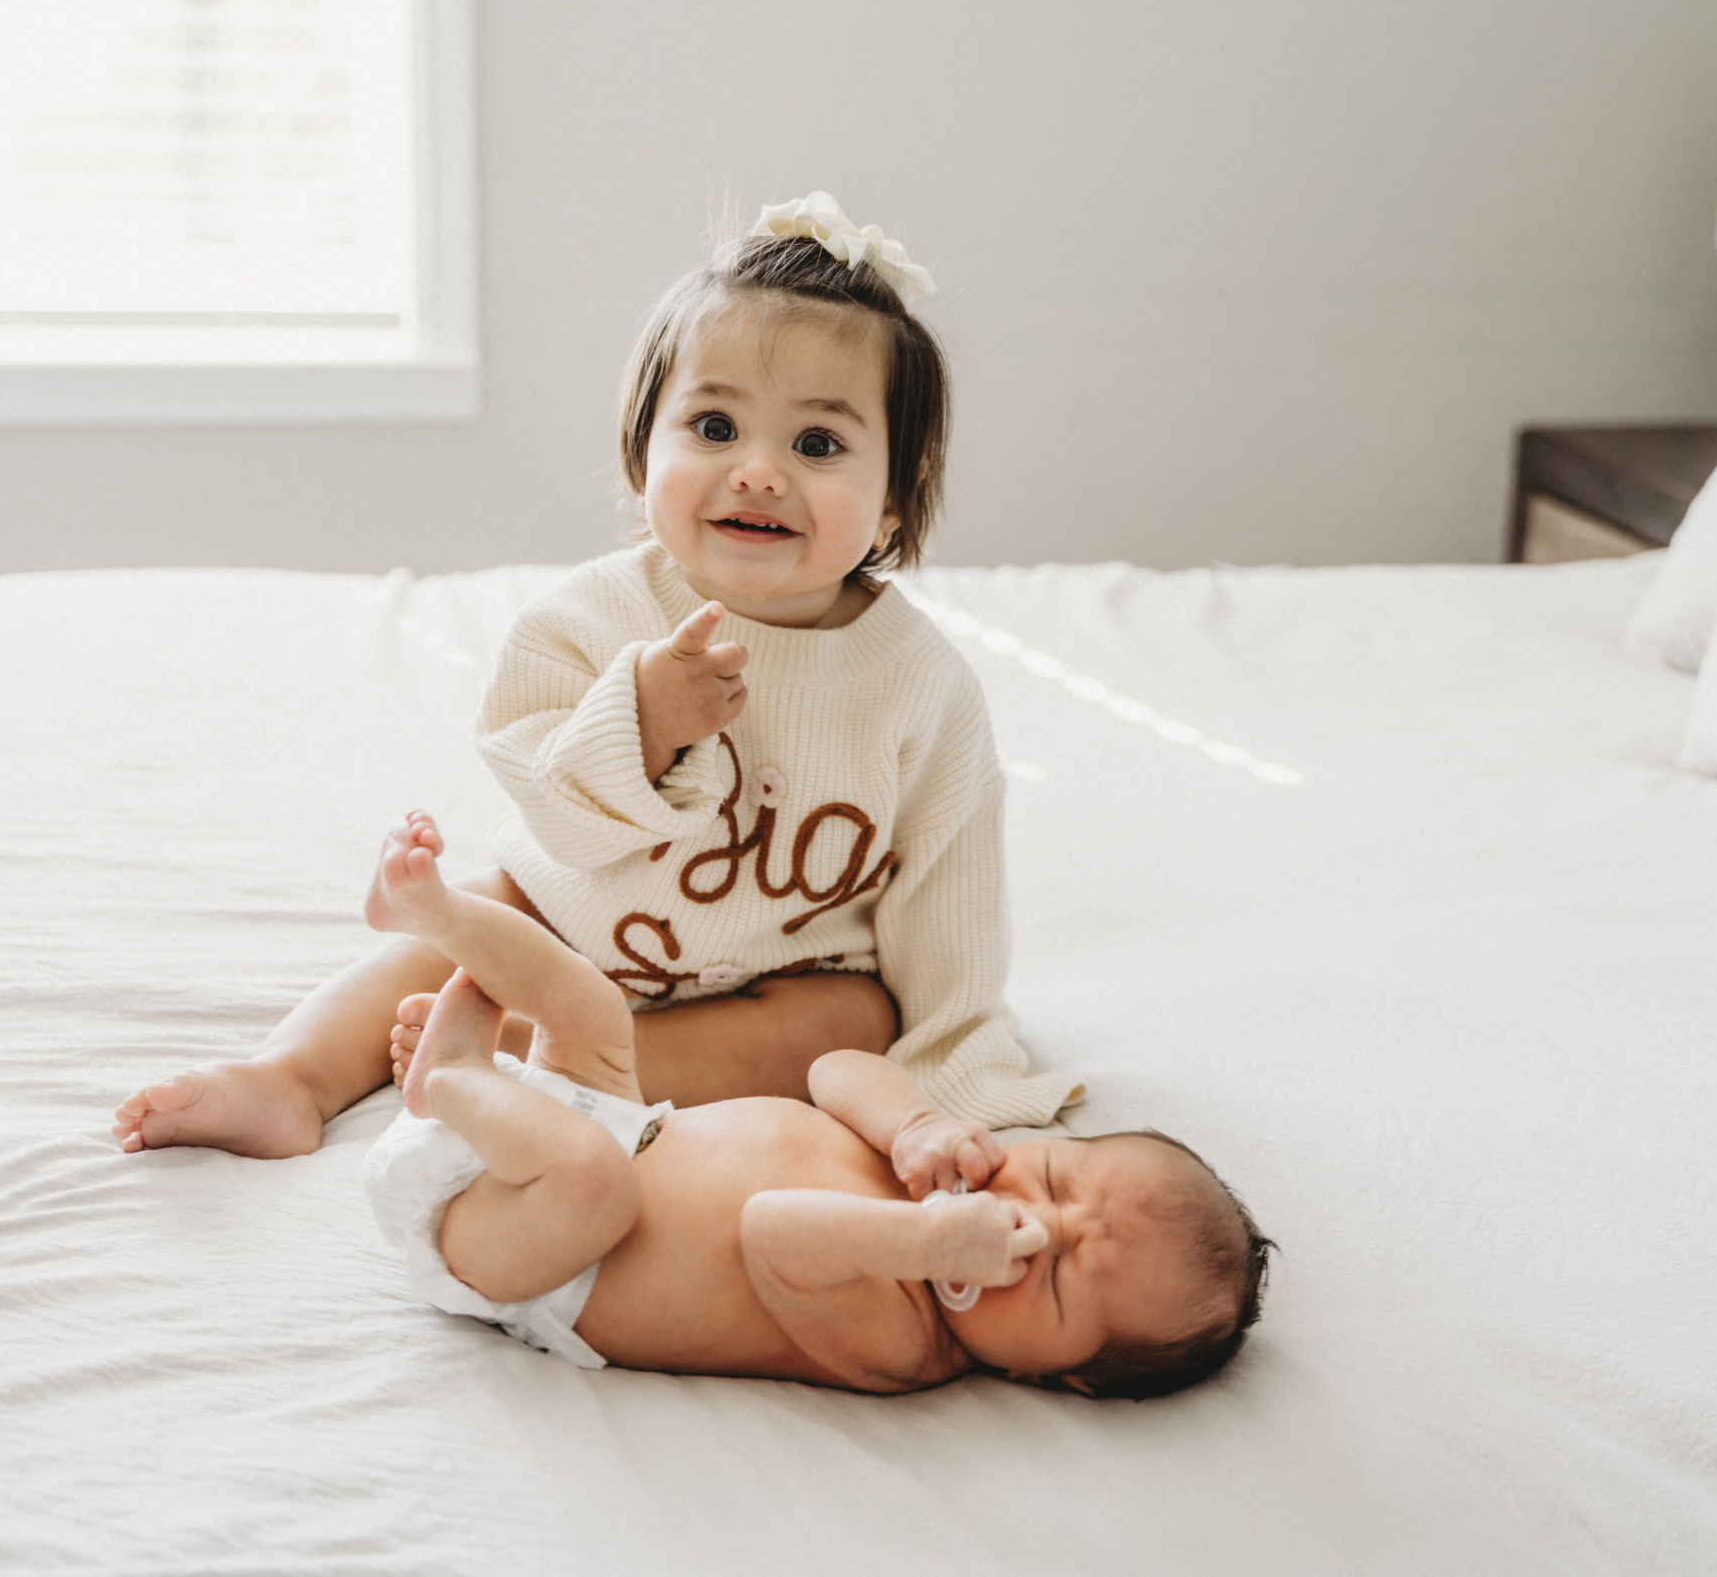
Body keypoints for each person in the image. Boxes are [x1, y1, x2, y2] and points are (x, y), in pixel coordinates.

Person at [114, 192, 1076, 1158]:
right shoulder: (589, 618)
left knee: (850, 1027)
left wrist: (957, 1070)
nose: (757, 472)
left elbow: (949, 891)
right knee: (469, 921)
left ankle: (542, 1049)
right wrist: (642, 724)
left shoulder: (919, 682)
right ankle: (290, 1079)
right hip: (571, 921)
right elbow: (548, 804)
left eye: (817, 444)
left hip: (780, 971)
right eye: (713, 428)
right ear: (641, 449)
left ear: (898, 504)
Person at [361, 813, 1272, 1396]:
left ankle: (449, 1082)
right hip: (604, 1124)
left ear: (1051, 1374)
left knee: (595, 1180)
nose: (1028, 1217)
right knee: (595, 1008)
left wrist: (927, 1245)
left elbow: (774, 1232)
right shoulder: (923, 1163)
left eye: (1059, 1271)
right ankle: (435, 915)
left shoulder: (903, 1343)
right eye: (1053, 1174)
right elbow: (835, 1066)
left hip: (537, 1260)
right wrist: (909, 1123)